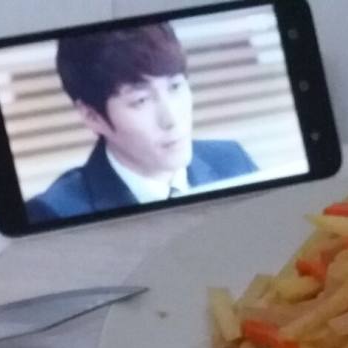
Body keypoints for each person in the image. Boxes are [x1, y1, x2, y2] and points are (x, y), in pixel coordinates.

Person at [25, 22, 257, 222]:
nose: (171, 119)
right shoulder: (56, 212)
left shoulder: (233, 162)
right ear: (92, 116)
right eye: (141, 101)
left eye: (175, 86)